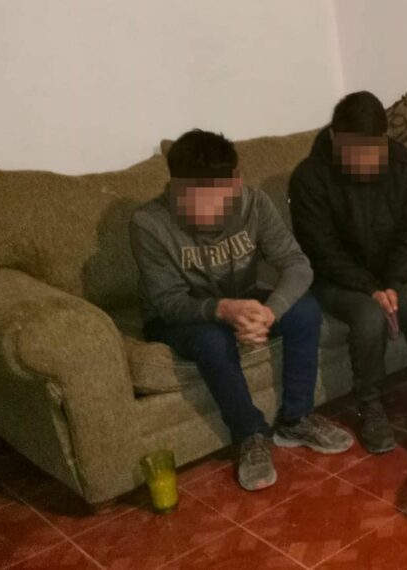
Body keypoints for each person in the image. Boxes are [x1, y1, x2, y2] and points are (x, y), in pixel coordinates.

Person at [130, 129, 353, 492]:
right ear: (176, 189)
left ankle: (295, 419)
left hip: (242, 297)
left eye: (221, 199)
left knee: (304, 310)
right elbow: (169, 303)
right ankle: (250, 434)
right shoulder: (149, 223)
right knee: (213, 341)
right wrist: (223, 309)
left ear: (235, 182)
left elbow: (297, 264)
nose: (212, 213)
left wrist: (269, 312)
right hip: (180, 316)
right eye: (198, 201)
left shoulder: (253, 204)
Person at [289, 91, 407, 454]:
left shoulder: (403, 166)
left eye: (372, 151)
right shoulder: (309, 177)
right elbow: (321, 250)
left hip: (391, 272)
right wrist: (370, 288)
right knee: (370, 317)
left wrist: (393, 282)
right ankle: (370, 405)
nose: (364, 162)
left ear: (384, 140)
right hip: (335, 279)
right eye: (354, 152)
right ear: (335, 139)